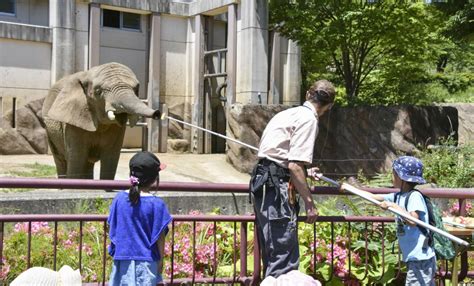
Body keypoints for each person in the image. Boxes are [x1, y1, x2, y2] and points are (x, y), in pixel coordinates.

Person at [249, 79, 336, 278]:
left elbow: (284, 158)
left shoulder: (287, 114)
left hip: (264, 184)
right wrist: (310, 203)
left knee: (272, 255)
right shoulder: (309, 119)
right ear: (328, 106)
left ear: (308, 94)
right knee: (283, 259)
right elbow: (294, 165)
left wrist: (305, 172)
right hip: (276, 188)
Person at [342, 156, 436, 285]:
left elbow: (414, 220)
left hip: (421, 257)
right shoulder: (397, 196)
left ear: (401, 177)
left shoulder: (414, 196)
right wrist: (349, 188)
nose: (392, 177)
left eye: (394, 174)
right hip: (413, 256)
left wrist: (394, 207)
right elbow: (373, 197)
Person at [108, 151, 172, 286]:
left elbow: (112, 229)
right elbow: (160, 237)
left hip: (122, 261)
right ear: (154, 178)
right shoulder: (157, 204)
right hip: (147, 263)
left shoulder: (119, 199)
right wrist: (160, 261)